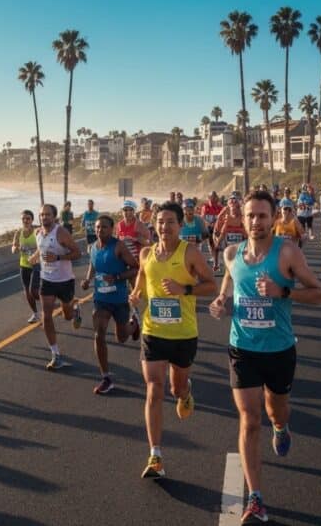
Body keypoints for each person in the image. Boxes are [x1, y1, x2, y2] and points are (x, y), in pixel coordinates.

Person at [209, 190, 321, 523]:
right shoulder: (232, 253)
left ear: (273, 218)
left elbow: (317, 294)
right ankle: (255, 498)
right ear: (241, 220)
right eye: (250, 216)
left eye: (262, 215)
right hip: (242, 348)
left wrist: (283, 291)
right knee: (249, 418)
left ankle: (282, 427)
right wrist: (220, 303)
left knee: (276, 409)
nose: (256, 221)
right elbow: (228, 287)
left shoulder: (286, 252)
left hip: (279, 349)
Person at [128, 201, 217, 479]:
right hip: (153, 331)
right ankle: (156, 455)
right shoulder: (145, 253)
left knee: (175, 389)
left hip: (183, 333)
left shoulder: (189, 252)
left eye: (170, 222)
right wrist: (137, 293)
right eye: (160, 221)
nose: (164, 227)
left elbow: (211, 285)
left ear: (180, 225)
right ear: (154, 224)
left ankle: (185, 391)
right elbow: (142, 277)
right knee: (153, 388)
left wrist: (184, 288)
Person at [80, 215, 141, 394]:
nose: (99, 230)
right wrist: (87, 279)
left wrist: (116, 277)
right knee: (99, 334)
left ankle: (134, 324)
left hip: (119, 299)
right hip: (100, 299)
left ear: (112, 229)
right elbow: (93, 265)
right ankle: (106, 377)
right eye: (97, 227)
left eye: (104, 227)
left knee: (122, 337)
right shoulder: (93, 247)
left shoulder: (119, 246)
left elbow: (135, 268)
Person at [36, 204, 83, 370]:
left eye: (47, 215)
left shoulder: (61, 232)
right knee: (46, 316)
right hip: (46, 279)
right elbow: (40, 250)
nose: (44, 218)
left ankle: (74, 308)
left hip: (64, 280)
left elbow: (77, 253)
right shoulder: (38, 233)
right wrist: (34, 257)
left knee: (67, 316)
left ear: (54, 217)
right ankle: (55, 354)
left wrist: (58, 257)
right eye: (41, 215)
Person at [11, 210, 41, 324]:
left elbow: (42, 247)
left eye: (28, 218)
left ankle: (47, 302)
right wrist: (14, 249)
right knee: (27, 292)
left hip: (36, 264)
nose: (25, 220)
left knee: (33, 291)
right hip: (24, 265)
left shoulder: (37, 232)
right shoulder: (18, 232)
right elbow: (14, 246)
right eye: (23, 218)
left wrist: (34, 256)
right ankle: (35, 314)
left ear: (32, 220)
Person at [214, 193, 247, 259]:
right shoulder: (227, 208)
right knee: (219, 241)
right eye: (232, 200)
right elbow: (219, 217)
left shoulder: (242, 208)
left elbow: (219, 217)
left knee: (247, 238)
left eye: (235, 200)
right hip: (230, 226)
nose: (233, 202)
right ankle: (216, 261)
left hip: (238, 227)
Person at [201, 192, 225, 270]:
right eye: (211, 197)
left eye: (215, 197)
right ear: (209, 198)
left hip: (217, 228)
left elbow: (222, 218)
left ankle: (216, 259)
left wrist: (216, 224)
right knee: (211, 243)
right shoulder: (205, 207)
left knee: (217, 244)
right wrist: (209, 224)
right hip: (209, 227)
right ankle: (214, 258)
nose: (213, 199)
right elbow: (203, 218)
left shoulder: (220, 207)